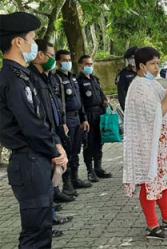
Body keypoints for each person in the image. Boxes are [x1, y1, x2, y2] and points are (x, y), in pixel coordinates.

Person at [0, 11, 68, 248]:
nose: (35, 44)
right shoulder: (12, 79)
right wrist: (55, 151)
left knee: (42, 231)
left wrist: (55, 144)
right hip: (29, 161)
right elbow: (31, 125)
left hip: (36, 158)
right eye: (32, 38)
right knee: (35, 235)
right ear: (18, 42)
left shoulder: (23, 76)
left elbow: (41, 120)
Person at [123, 47, 167, 240]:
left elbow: (163, 104)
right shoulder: (139, 86)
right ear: (141, 66)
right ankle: (152, 225)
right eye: (152, 64)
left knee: (163, 181)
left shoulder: (150, 83)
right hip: (150, 145)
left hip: (162, 145)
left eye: (158, 63)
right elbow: (155, 114)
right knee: (150, 183)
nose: (156, 67)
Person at [29, 39, 74, 237]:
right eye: (50, 55)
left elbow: (54, 106)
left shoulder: (47, 78)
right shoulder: (31, 79)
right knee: (43, 184)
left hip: (54, 129)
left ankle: (51, 216)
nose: (53, 60)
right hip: (43, 136)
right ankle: (46, 223)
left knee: (52, 179)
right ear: (39, 55)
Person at [54, 50, 92, 191]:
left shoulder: (73, 77)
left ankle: (75, 178)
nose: (67, 63)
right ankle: (67, 183)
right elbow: (58, 103)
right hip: (67, 119)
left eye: (69, 60)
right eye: (64, 60)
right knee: (68, 150)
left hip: (77, 117)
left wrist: (84, 119)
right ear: (58, 62)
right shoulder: (56, 78)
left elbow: (79, 100)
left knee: (76, 150)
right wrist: (62, 122)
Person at [77, 55, 112, 182]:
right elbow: (79, 102)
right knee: (89, 144)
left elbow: (102, 95)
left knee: (99, 142)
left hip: (99, 114)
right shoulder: (78, 82)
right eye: (87, 64)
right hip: (88, 115)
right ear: (80, 66)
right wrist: (83, 118)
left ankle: (98, 168)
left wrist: (105, 100)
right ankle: (90, 171)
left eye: (91, 64)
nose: (89, 67)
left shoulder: (95, 79)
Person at [116, 46, 137, 111]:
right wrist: (126, 110)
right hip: (132, 108)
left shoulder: (145, 71)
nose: (132, 60)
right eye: (130, 58)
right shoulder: (123, 74)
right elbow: (122, 95)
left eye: (134, 57)